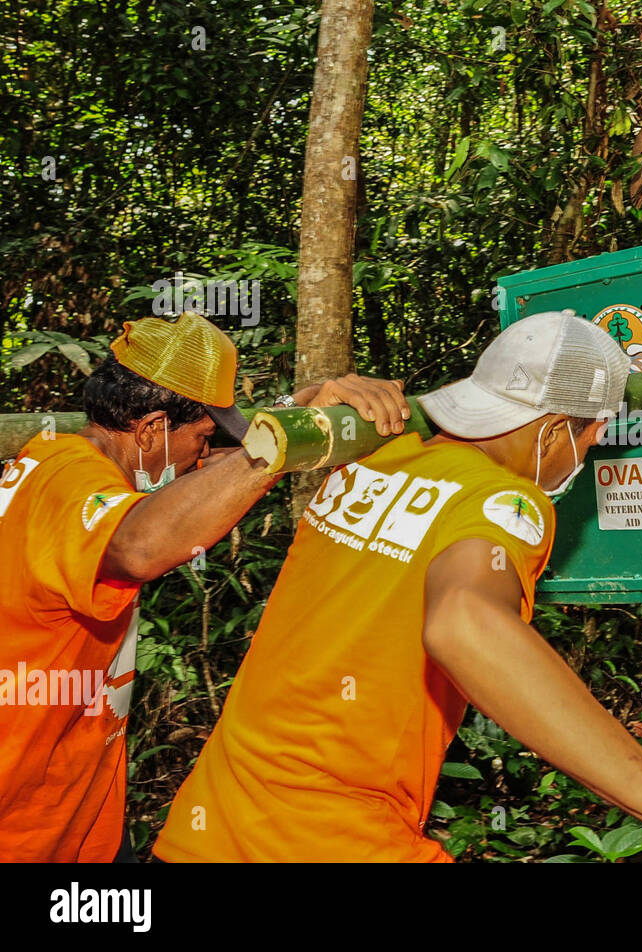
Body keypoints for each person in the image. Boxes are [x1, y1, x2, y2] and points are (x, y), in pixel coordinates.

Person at [153, 312, 642, 862]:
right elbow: (464, 622)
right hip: (328, 840)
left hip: (208, 823)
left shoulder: (380, 450)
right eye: (594, 429)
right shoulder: (507, 503)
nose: (595, 445)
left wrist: (315, 397)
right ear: (556, 427)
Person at [0, 311, 408, 862]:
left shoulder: (57, 459)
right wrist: (272, 450)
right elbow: (139, 547)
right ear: (149, 429)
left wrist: (303, 405)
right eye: (200, 437)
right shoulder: (68, 483)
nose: (203, 455)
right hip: (24, 829)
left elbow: (218, 465)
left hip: (76, 812)